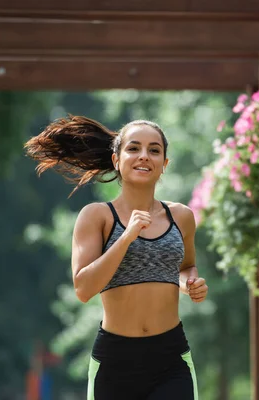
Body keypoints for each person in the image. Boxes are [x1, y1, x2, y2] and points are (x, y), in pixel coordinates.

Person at [24, 116, 208, 400]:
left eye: (154, 150)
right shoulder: (97, 216)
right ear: (116, 159)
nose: (144, 156)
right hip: (115, 363)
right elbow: (84, 288)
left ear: (165, 164)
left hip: (171, 359)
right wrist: (126, 237)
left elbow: (185, 268)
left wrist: (190, 282)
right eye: (133, 148)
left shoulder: (181, 217)